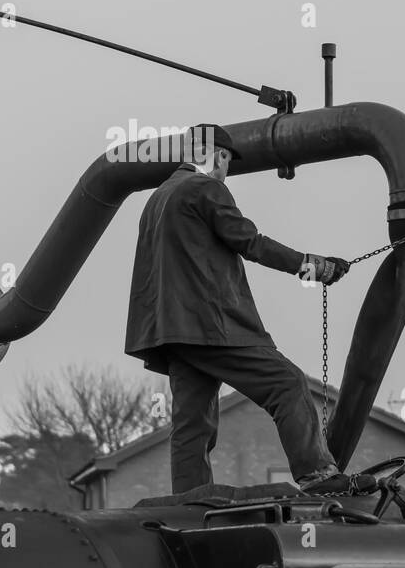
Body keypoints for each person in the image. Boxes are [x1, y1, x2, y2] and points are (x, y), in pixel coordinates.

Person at [124, 122, 374, 496]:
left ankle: (189, 500)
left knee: (192, 424)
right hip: (211, 325)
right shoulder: (206, 188)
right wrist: (312, 266)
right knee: (286, 384)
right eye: (227, 161)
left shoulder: (157, 199)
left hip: (169, 333)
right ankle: (318, 475)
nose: (227, 170)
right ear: (217, 156)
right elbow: (251, 242)